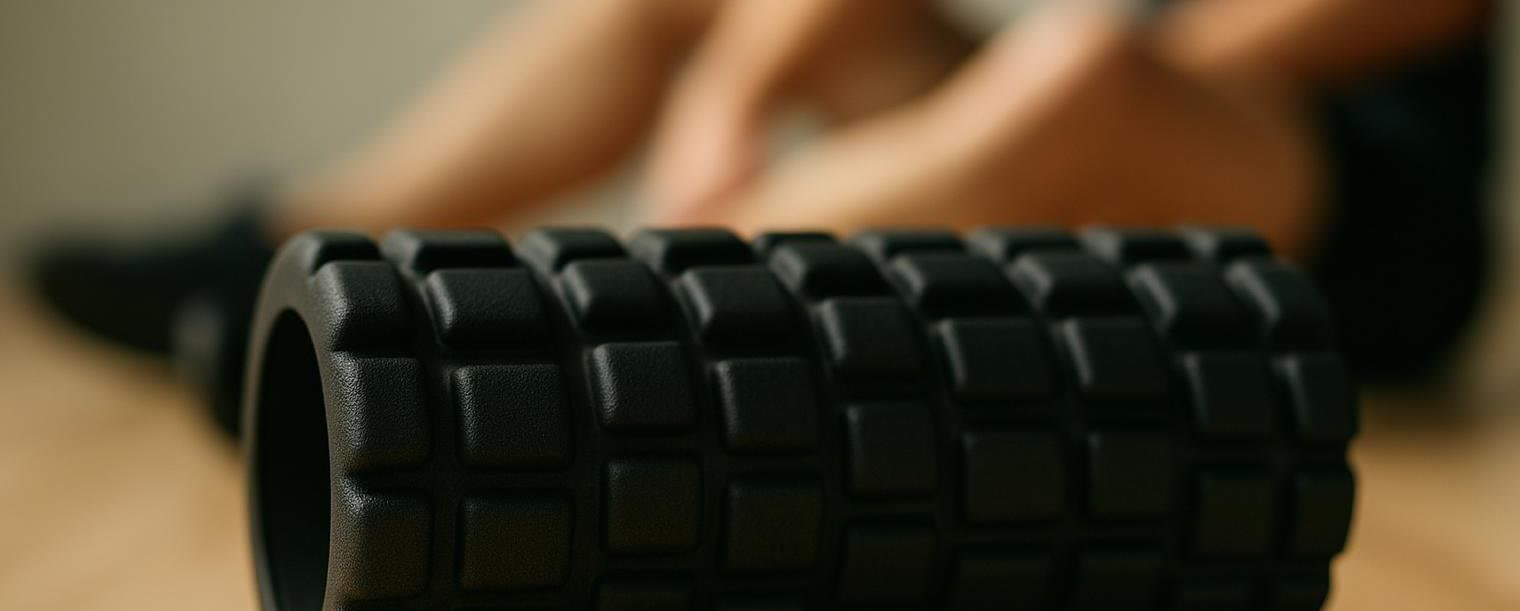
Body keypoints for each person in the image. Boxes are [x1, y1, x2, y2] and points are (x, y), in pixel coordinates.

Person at [31, 0, 1494, 433]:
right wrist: (729, 102)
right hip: (1103, 90)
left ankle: (582, 323)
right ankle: (297, 253)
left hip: (1355, 210)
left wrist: (1086, 87)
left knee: (1080, 77)